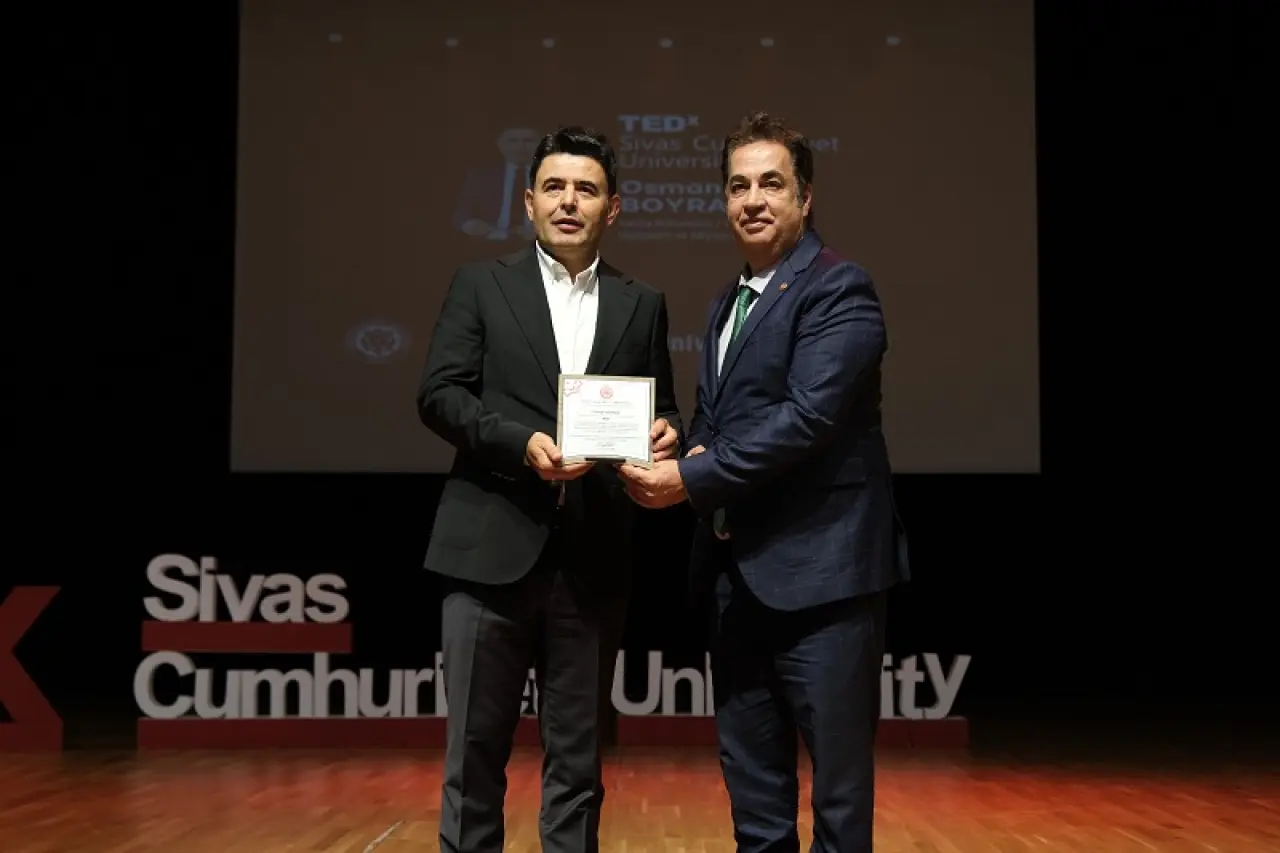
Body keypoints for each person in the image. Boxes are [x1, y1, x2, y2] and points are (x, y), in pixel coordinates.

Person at [617, 112, 909, 853]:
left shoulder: (840, 287)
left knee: (838, 801)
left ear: (805, 198)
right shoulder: (727, 301)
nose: (752, 199)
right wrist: (682, 440)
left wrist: (689, 476)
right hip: (736, 584)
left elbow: (807, 419)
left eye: (771, 184)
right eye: (738, 185)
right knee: (755, 799)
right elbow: (726, 420)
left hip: (824, 584)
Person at [417, 125, 683, 853]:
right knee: (473, 760)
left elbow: (662, 405)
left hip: (592, 559)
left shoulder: (642, 301)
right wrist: (519, 443)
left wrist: (665, 430)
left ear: (613, 207)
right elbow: (440, 394)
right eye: (555, 187)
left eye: (587, 189)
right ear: (529, 202)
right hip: (487, 549)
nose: (570, 201)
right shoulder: (481, 283)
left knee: (578, 764)